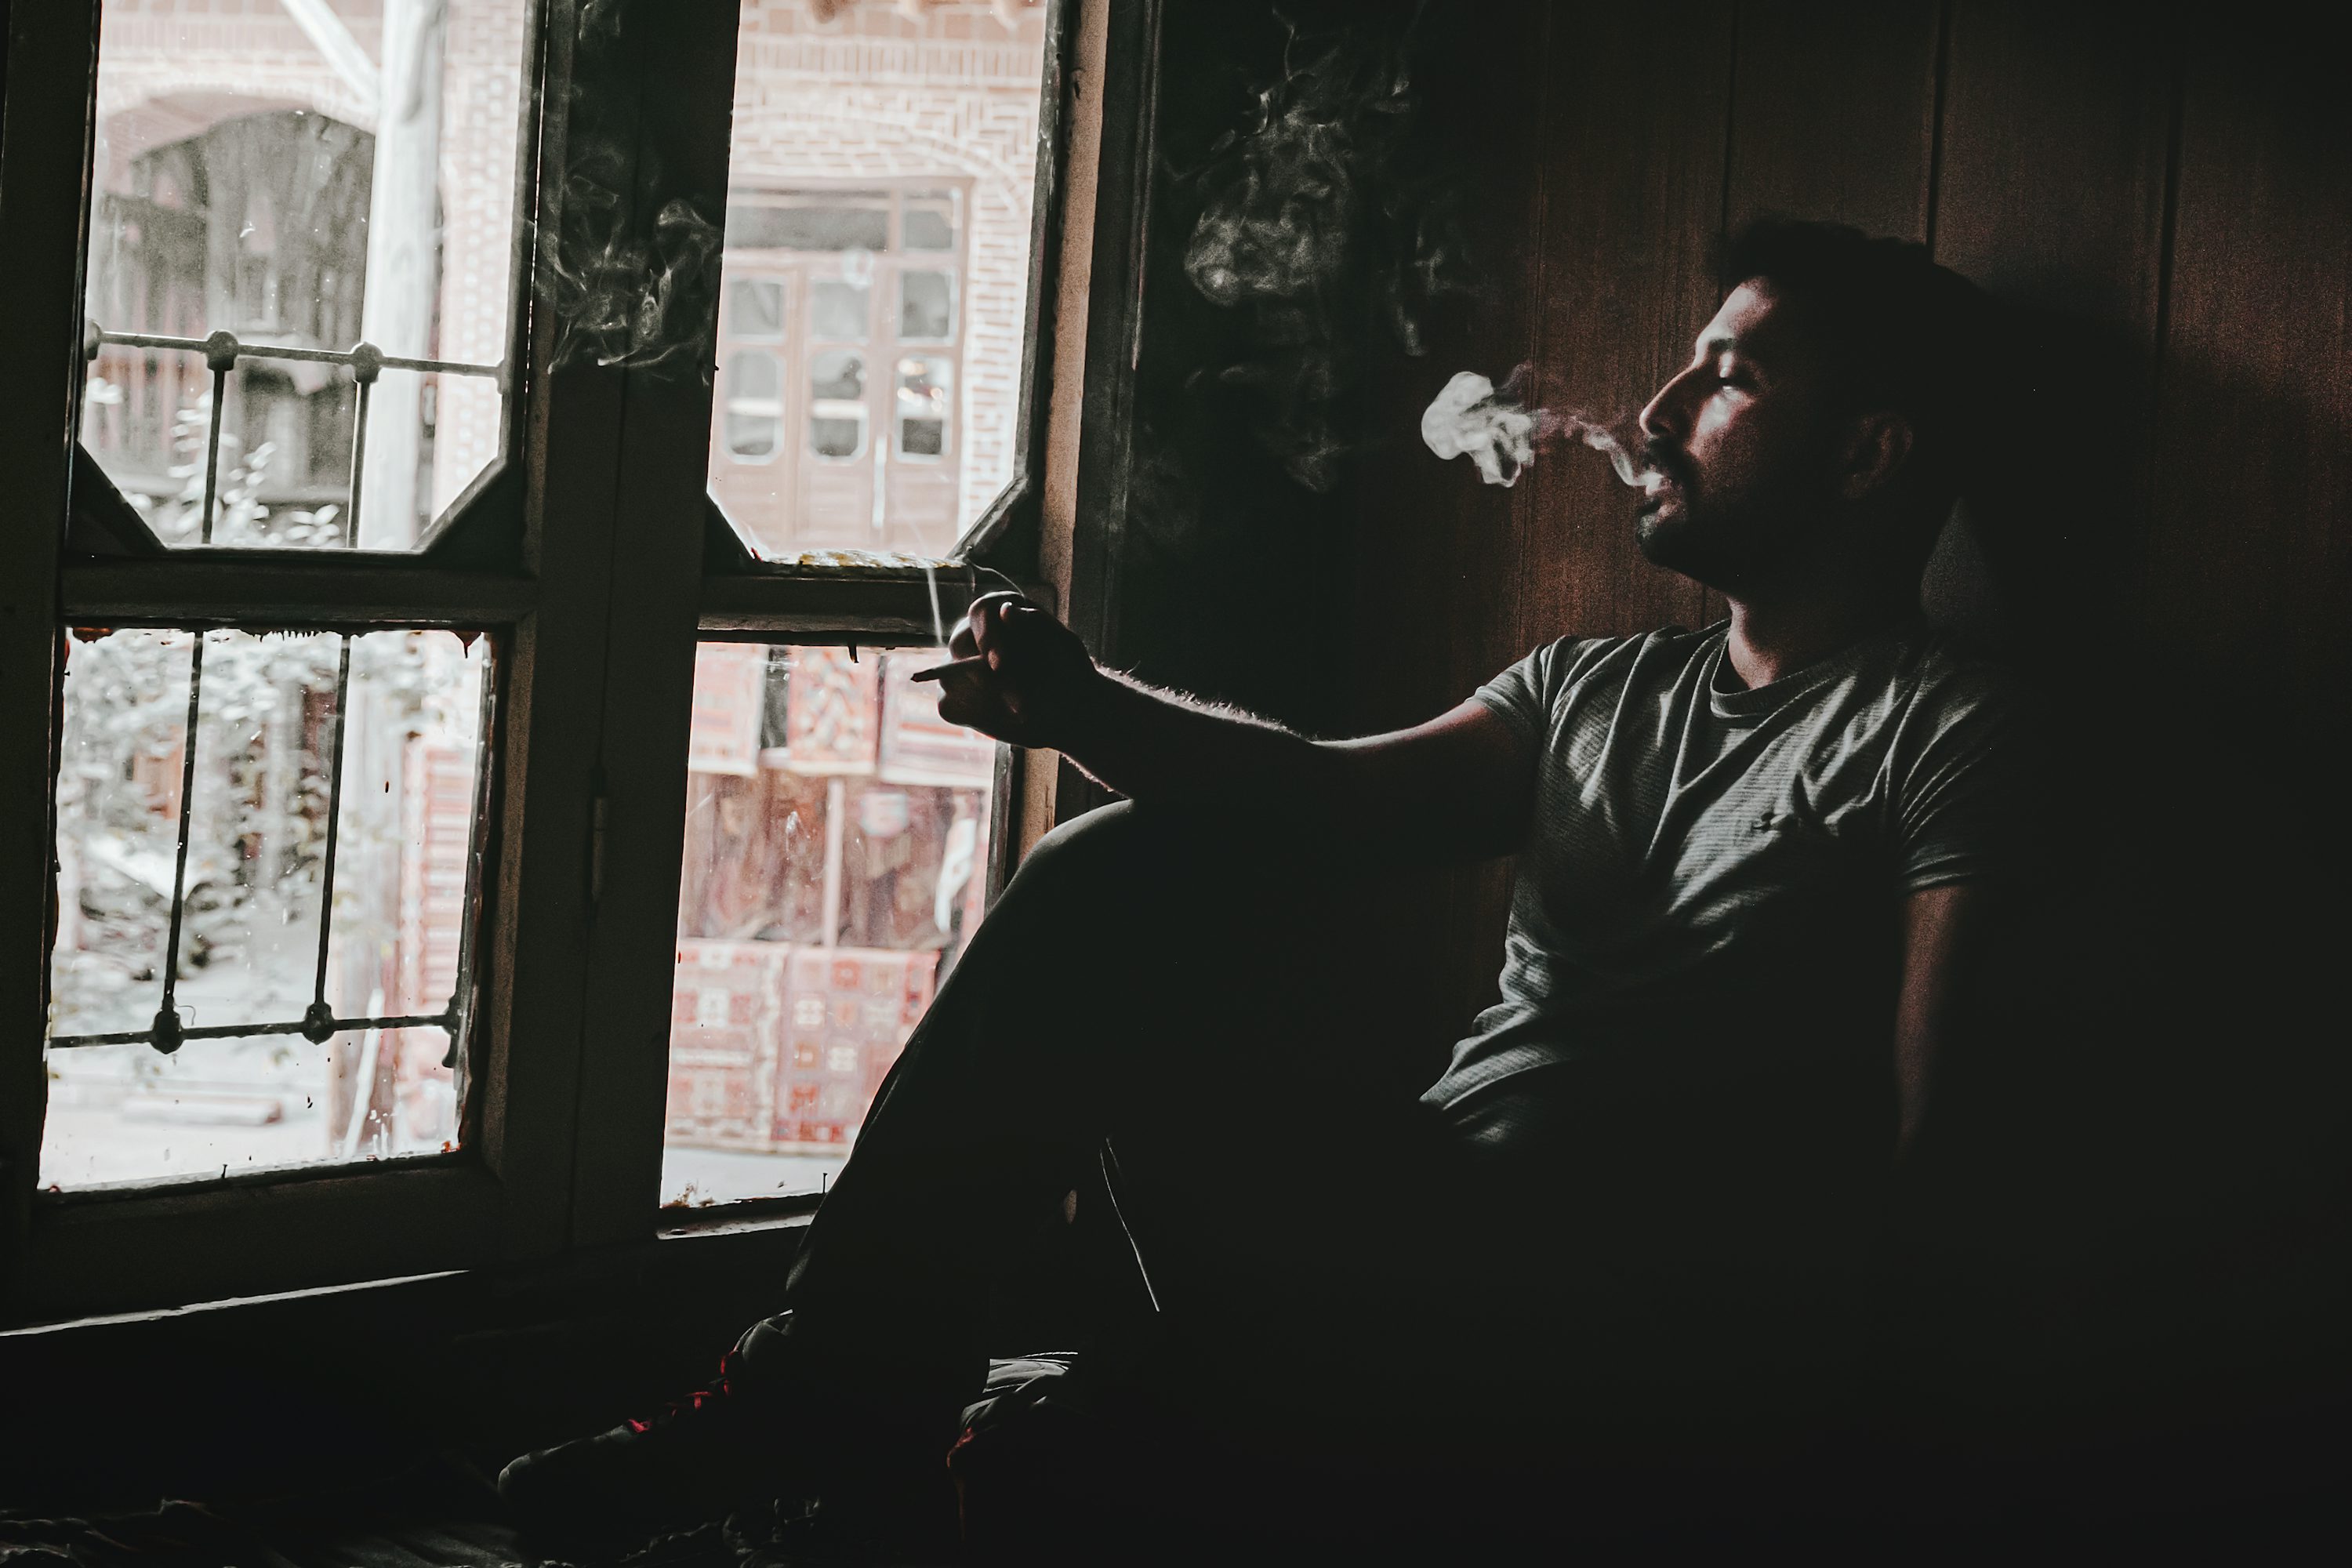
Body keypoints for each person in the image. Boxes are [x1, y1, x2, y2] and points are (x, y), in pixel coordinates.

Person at [499, 219, 2018, 1547]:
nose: (1658, 407)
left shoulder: (1945, 730)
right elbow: (1311, 801)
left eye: (1730, 378)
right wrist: (1087, 713)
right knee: (1123, 864)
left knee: (1052, 1471)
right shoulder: (1591, 688)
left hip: (1632, 1338)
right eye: (1686, 364)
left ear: (1868, 453)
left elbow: (1929, 1156)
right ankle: (838, 1394)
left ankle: (971, 1418)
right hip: (1414, 1238)